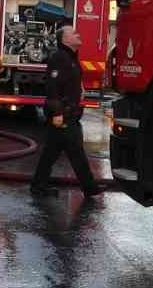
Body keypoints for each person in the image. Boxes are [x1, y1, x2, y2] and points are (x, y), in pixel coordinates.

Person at [29, 26, 102, 198]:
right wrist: (57, 113)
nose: (78, 34)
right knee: (76, 152)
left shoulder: (71, 58)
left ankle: (38, 185)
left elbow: (70, 81)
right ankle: (90, 188)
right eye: (73, 33)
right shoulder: (59, 58)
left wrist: (80, 88)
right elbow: (52, 87)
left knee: (51, 152)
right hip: (64, 115)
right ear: (65, 40)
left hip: (69, 113)